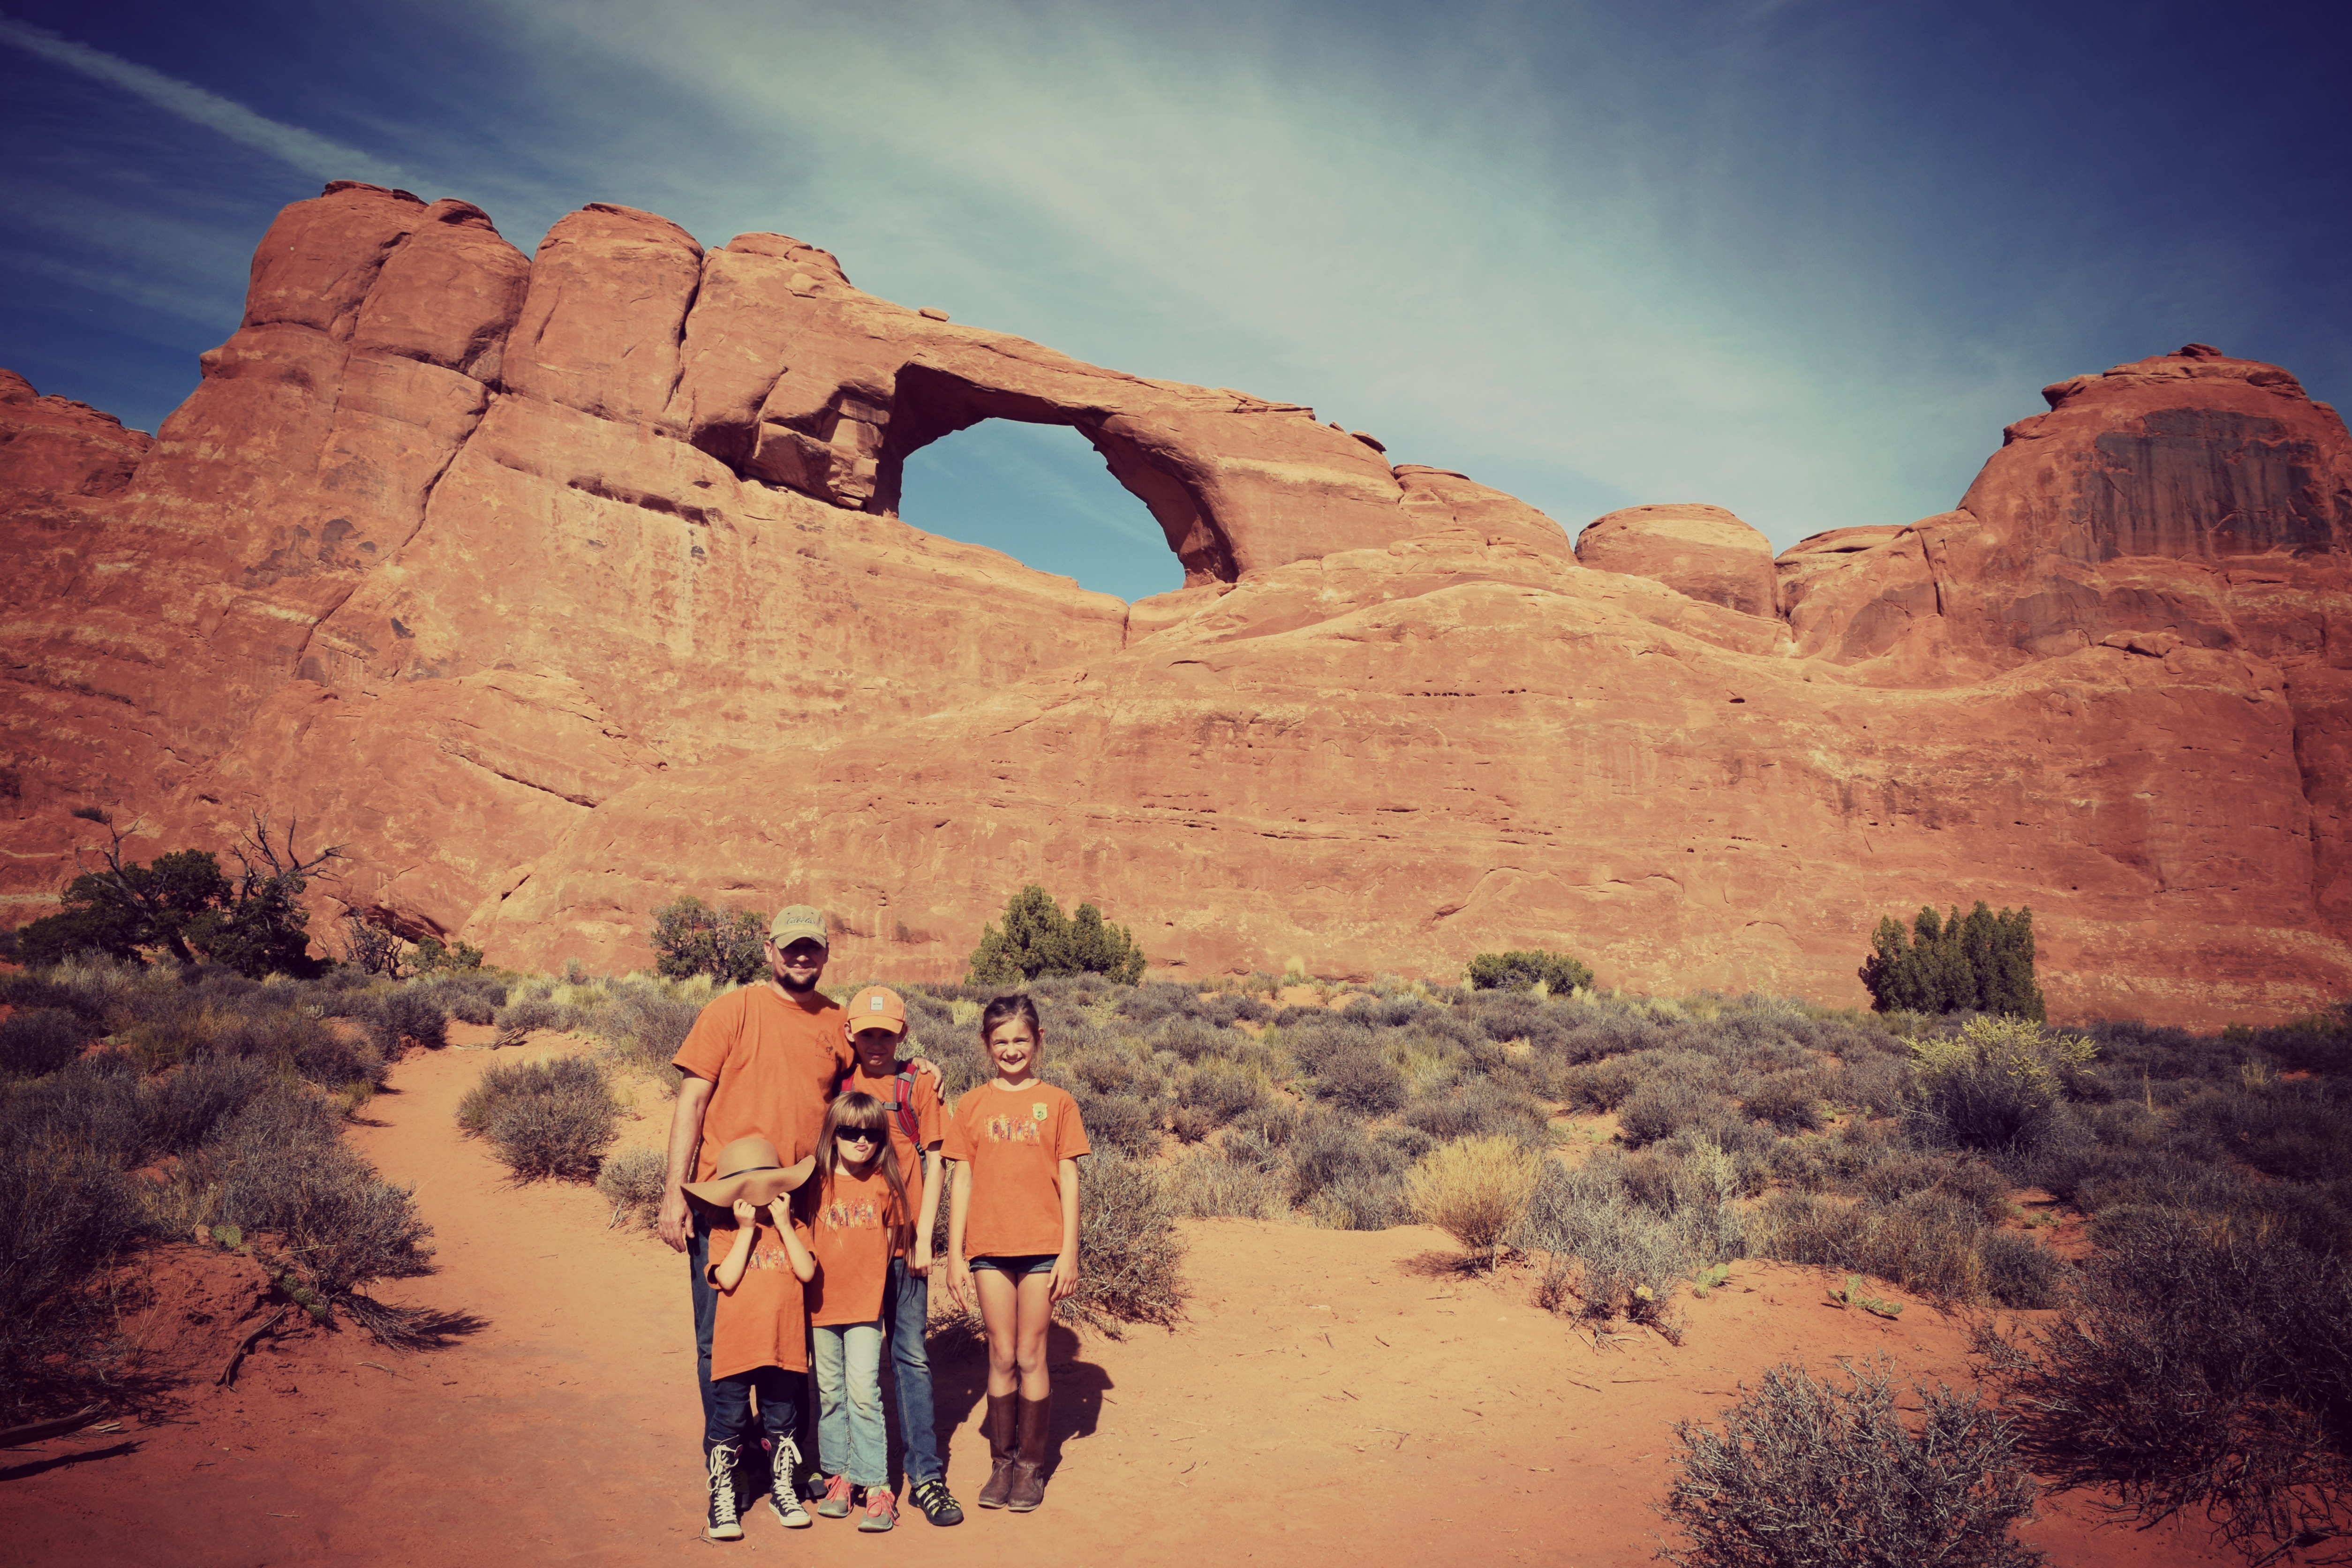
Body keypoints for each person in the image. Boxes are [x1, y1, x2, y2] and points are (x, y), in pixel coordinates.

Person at [657, 905, 939, 1518]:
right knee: (718, 1340)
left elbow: (872, 1066)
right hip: (725, 1206)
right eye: (791, 947)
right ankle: (729, 1461)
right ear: (769, 950)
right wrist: (672, 1194)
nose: (802, 957)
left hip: (800, 1212)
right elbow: (693, 1101)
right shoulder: (733, 1011)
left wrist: (916, 1071)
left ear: (826, 953)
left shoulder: (837, 1022)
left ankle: (792, 1455)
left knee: (792, 1339)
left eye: (812, 947)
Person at [943, 994, 1090, 1512]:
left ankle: (1030, 1466)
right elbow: (961, 1177)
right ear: (987, 1045)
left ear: (1038, 1039)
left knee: (1031, 1353)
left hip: (1043, 1247)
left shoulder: (1057, 1101)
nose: (1011, 1049)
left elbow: (1069, 1177)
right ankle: (1000, 1464)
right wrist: (956, 1253)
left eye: (1020, 1039)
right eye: (1000, 1040)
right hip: (988, 1246)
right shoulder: (973, 1104)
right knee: (1000, 1353)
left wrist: (1070, 1250)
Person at [841, 986, 961, 1526]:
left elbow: (937, 1161)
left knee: (909, 1355)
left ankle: (927, 1475)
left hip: (904, 1246)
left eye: (886, 1033)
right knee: (849, 1361)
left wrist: (923, 1237)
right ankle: (852, 1467)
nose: (876, 1043)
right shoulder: (838, 1083)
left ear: (902, 1034)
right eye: (867, 1033)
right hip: (853, 1246)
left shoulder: (917, 1084)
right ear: (851, 1034)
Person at [682, 1136, 817, 1541]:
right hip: (736, 1349)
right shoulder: (724, 1231)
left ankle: (783, 1491)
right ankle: (722, 1495)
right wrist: (745, 1231)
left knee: (781, 1418)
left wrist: (781, 1224)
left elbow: (807, 1273)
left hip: (782, 1347)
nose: (757, 1199)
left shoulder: (794, 1226)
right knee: (729, 1421)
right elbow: (725, 1277)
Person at [804, 1092, 912, 1533]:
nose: (860, 1141)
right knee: (830, 1392)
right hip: (821, 1307)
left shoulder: (885, 1183)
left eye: (870, 1133)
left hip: (865, 1308)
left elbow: (888, 1247)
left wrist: (868, 1286)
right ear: (833, 1135)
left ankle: (877, 1486)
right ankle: (839, 1477)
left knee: (863, 1392)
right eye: (849, 1132)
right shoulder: (814, 1183)